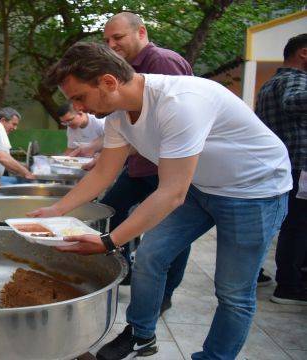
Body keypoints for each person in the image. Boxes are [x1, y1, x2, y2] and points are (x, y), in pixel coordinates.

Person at [31, 42, 290, 360]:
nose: (78, 108)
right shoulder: (118, 118)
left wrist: (109, 241)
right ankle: (141, 335)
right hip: (202, 187)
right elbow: (102, 174)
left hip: (255, 191)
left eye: (79, 97)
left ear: (109, 82)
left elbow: (171, 193)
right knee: (150, 258)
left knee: (232, 291)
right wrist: (55, 210)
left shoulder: (179, 102)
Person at [100, 12, 195, 309]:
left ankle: (164, 293)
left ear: (141, 32)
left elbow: (180, 123)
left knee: (169, 233)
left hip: (168, 167)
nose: (111, 44)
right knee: (109, 211)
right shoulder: (122, 69)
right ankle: (122, 267)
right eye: (106, 40)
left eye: (118, 37)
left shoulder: (162, 62)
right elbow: (122, 124)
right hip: (140, 165)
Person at [256, 33, 307, 305]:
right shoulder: (295, 80)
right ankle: (289, 285)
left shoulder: (271, 83)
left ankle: (255, 273)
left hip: (277, 166)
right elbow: (294, 101)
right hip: (298, 165)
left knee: (282, 224)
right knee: (297, 227)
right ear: (304, 53)